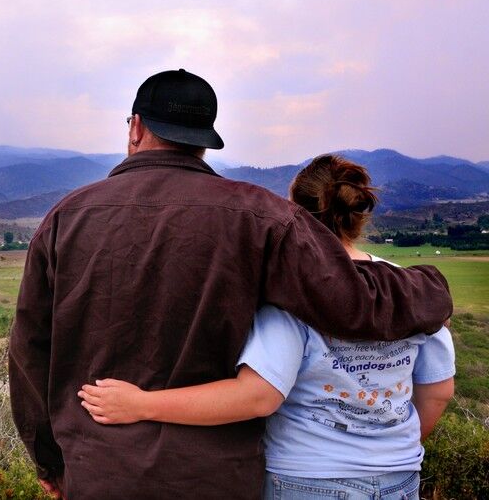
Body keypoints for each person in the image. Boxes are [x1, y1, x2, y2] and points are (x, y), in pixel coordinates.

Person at [9, 69, 453, 500]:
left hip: (101, 468)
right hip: (215, 476)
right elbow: (353, 304)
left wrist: (51, 463)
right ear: (205, 141)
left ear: (136, 128)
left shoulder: (66, 218)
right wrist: (430, 288)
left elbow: (30, 351)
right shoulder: (262, 218)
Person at [78, 154, 456, 499]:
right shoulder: (413, 290)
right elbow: (439, 390)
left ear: (295, 214)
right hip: (400, 477)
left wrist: (141, 405)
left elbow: (258, 397)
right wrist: (389, 451)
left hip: (307, 478)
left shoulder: (293, 293)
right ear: (359, 213)